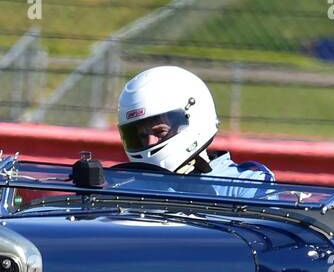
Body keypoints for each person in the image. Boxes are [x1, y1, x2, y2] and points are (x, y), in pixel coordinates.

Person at [116, 66, 272, 184]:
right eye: (141, 136)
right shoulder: (126, 190)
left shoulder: (245, 187)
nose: (149, 143)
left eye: (160, 132)